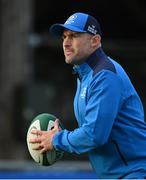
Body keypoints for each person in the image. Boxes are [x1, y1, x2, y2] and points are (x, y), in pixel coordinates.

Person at [29, 12, 146, 179]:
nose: (66, 43)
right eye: (64, 37)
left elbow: (94, 134)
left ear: (95, 41)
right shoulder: (86, 76)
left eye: (74, 36)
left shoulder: (105, 75)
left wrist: (56, 140)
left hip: (135, 174)